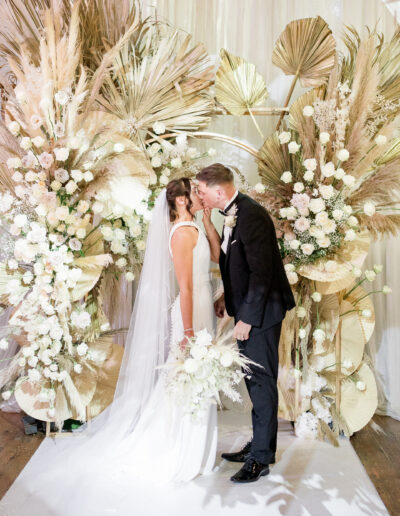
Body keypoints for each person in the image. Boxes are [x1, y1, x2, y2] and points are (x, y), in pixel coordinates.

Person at [0, 179, 223, 514]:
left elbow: (217, 256)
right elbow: (186, 288)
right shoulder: (180, 233)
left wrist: (207, 220)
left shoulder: (195, 226)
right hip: (192, 310)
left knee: (198, 375)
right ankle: (180, 447)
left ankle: (198, 445)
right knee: (186, 377)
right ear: (179, 201)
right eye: (194, 192)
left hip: (204, 303)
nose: (200, 196)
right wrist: (188, 330)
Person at [196, 163, 295, 484]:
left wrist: (247, 319)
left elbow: (262, 274)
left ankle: (261, 459)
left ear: (218, 191)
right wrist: (227, 294)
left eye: (201, 190)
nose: (198, 195)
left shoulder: (250, 215)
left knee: (261, 382)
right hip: (250, 307)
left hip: (262, 313)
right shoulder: (232, 211)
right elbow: (236, 263)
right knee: (254, 380)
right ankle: (260, 443)